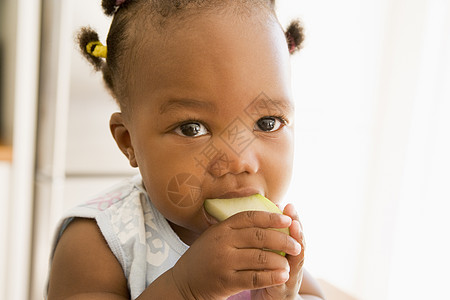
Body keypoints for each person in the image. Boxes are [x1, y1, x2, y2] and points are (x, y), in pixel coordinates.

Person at [47, 0, 326, 299]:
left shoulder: (264, 240)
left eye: (267, 122)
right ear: (128, 142)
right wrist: (185, 290)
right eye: (192, 128)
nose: (238, 160)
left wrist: (285, 296)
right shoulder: (100, 242)